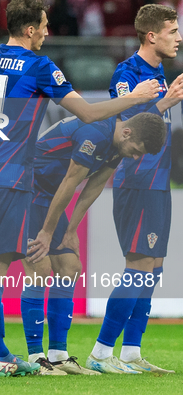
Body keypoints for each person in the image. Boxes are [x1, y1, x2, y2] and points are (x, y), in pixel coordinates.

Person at [0, 0, 159, 379]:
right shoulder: (40, 66)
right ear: (30, 29)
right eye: (44, 26)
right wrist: (136, 98)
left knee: (41, 267)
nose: (48, 32)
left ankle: (25, 355)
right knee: (14, 270)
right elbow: (90, 113)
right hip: (15, 181)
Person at [21, 112, 167, 376]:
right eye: (136, 151)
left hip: (45, 196)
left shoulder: (116, 145)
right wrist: (47, 231)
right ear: (127, 133)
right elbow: (71, 181)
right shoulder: (96, 133)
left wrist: (72, 230)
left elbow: (95, 184)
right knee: (39, 270)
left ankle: (58, 356)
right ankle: (36, 358)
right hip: (24, 190)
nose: (135, 157)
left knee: (69, 267)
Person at [86, 4, 181, 374]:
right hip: (137, 182)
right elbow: (127, 128)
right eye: (173, 31)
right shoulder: (127, 73)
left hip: (159, 184)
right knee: (138, 267)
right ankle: (100, 352)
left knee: (153, 268)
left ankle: (130, 351)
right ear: (152, 35)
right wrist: (165, 103)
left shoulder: (159, 71)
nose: (179, 38)